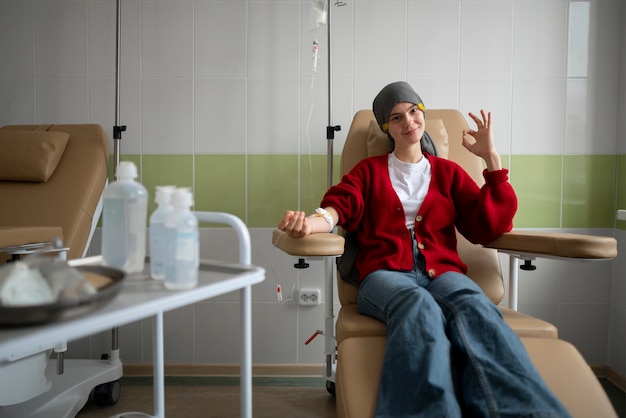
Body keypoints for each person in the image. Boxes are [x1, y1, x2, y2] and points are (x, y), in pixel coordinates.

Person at [278, 81, 571, 418]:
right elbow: (337, 209)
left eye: (414, 112)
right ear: (387, 128)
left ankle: (524, 412)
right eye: (397, 117)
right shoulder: (369, 172)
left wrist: (491, 158)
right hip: (386, 276)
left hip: (444, 275)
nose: (409, 122)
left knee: (475, 306)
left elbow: (488, 226)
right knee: (418, 305)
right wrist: (308, 224)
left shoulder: (448, 173)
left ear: (423, 115)